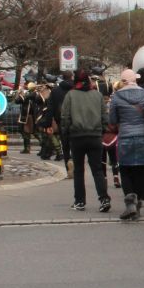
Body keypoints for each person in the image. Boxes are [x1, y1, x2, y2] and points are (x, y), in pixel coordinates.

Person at [61, 70, 111, 213]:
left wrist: (66, 133)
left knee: (78, 170)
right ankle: (104, 198)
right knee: (97, 169)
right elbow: (104, 116)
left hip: (77, 136)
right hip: (95, 136)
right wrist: (102, 130)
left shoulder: (70, 95)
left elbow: (65, 117)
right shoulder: (97, 95)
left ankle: (80, 201)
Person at [108, 68, 144, 220]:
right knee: (141, 170)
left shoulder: (116, 97)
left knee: (125, 169)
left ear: (122, 81)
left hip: (126, 136)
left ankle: (130, 204)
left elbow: (112, 120)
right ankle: (138, 202)